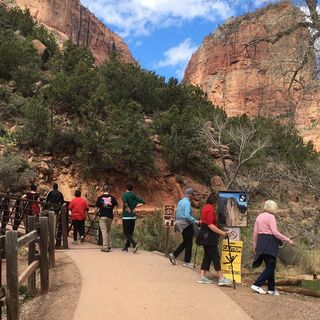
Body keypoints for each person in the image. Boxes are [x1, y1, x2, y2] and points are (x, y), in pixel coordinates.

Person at [251, 200, 294, 295]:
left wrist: (254, 245)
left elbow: (255, 233)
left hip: (261, 243)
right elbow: (274, 232)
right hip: (269, 244)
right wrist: (287, 239)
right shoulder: (271, 217)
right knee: (270, 267)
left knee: (270, 267)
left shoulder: (259, 216)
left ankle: (271, 289)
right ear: (272, 208)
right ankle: (257, 284)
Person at [196, 193, 233, 286]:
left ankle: (202, 276)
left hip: (204, 235)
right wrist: (222, 233)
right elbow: (210, 224)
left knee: (207, 257)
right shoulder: (211, 209)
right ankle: (221, 278)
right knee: (215, 256)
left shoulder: (205, 207)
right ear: (215, 201)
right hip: (209, 236)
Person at [169, 187, 198, 268]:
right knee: (189, 243)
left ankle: (174, 254)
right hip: (186, 224)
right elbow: (187, 215)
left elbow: (177, 212)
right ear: (189, 194)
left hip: (180, 224)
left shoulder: (181, 201)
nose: (193, 196)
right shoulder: (187, 203)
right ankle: (187, 262)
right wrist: (196, 221)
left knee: (186, 241)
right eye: (192, 194)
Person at [121, 184, 145, 253]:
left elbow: (125, 202)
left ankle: (134, 244)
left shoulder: (125, 194)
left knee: (126, 232)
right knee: (130, 232)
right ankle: (126, 247)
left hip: (126, 216)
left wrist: (127, 208)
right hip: (133, 216)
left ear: (126, 188)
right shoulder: (134, 195)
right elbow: (143, 202)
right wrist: (135, 207)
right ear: (132, 189)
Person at [95, 185, 118, 252]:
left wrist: (95, 214)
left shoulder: (99, 198)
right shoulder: (112, 198)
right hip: (110, 217)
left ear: (103, 190)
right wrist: (116, 217)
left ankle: (105, 247)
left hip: (102, 216)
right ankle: (109, 245)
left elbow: (95, 209)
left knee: (104, 232)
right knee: (108, 231)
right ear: (108, 190)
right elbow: (115, 209)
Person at [45, 183, 65, 248]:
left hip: (50, 209)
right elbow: (62, 202)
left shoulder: (50, 193)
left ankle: (50, 236)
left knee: (49, 223)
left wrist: (44, 207)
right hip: (57, 210)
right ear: (57, 187)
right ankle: (54, 235)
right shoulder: (60, 194)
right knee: (55, 223)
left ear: (53, 187)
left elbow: (46, 200)